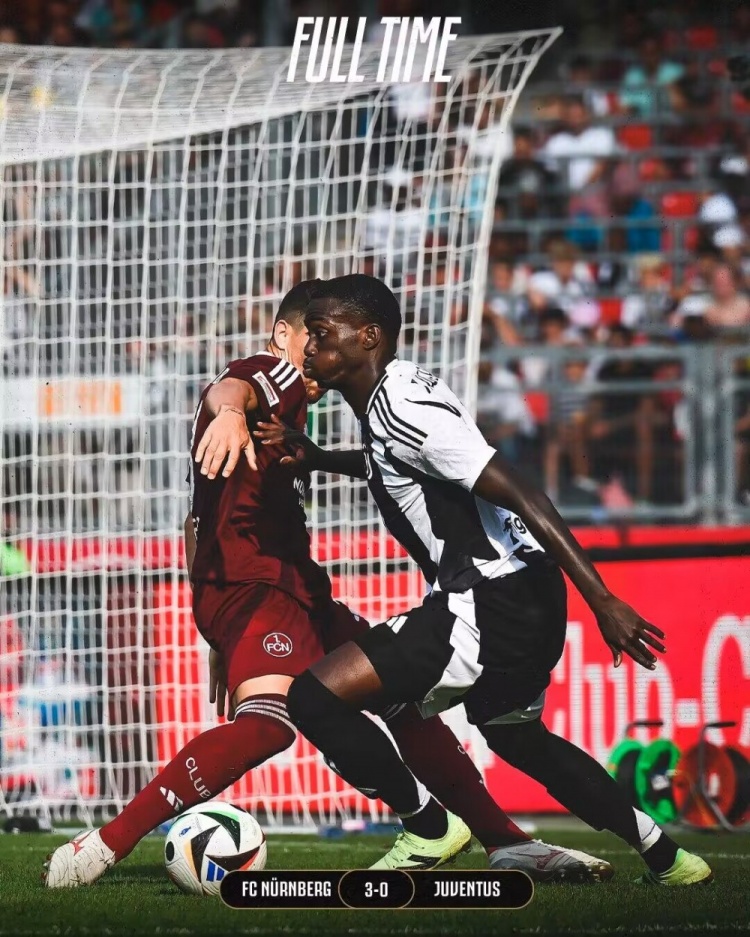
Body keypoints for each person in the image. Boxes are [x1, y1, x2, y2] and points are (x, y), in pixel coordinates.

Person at [43, 281, 610, 888]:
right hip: (261, 589)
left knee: (399, 695)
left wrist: (216, 629)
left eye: (322, 338)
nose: (314, 354)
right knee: (269, 724)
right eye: (308, 337)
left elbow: (194, 518)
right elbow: (229, 389)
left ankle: (504, 842)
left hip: (291, 589)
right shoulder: (275, 373)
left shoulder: (295, 414)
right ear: (284, 334)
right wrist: (229, 412)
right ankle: (105, 843)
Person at [257, 274, 711, 884]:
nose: (309, 347)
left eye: (320, 333)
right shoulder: (396, 393)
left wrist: (603, 599)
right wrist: (319, 458)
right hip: (522, 593)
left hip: (489, 600)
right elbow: (392, 462)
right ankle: (669, 858)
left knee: (313, 698)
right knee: (516, 739)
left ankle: (429, 827)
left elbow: (521, 490)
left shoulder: (401, 406)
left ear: (367, 337)